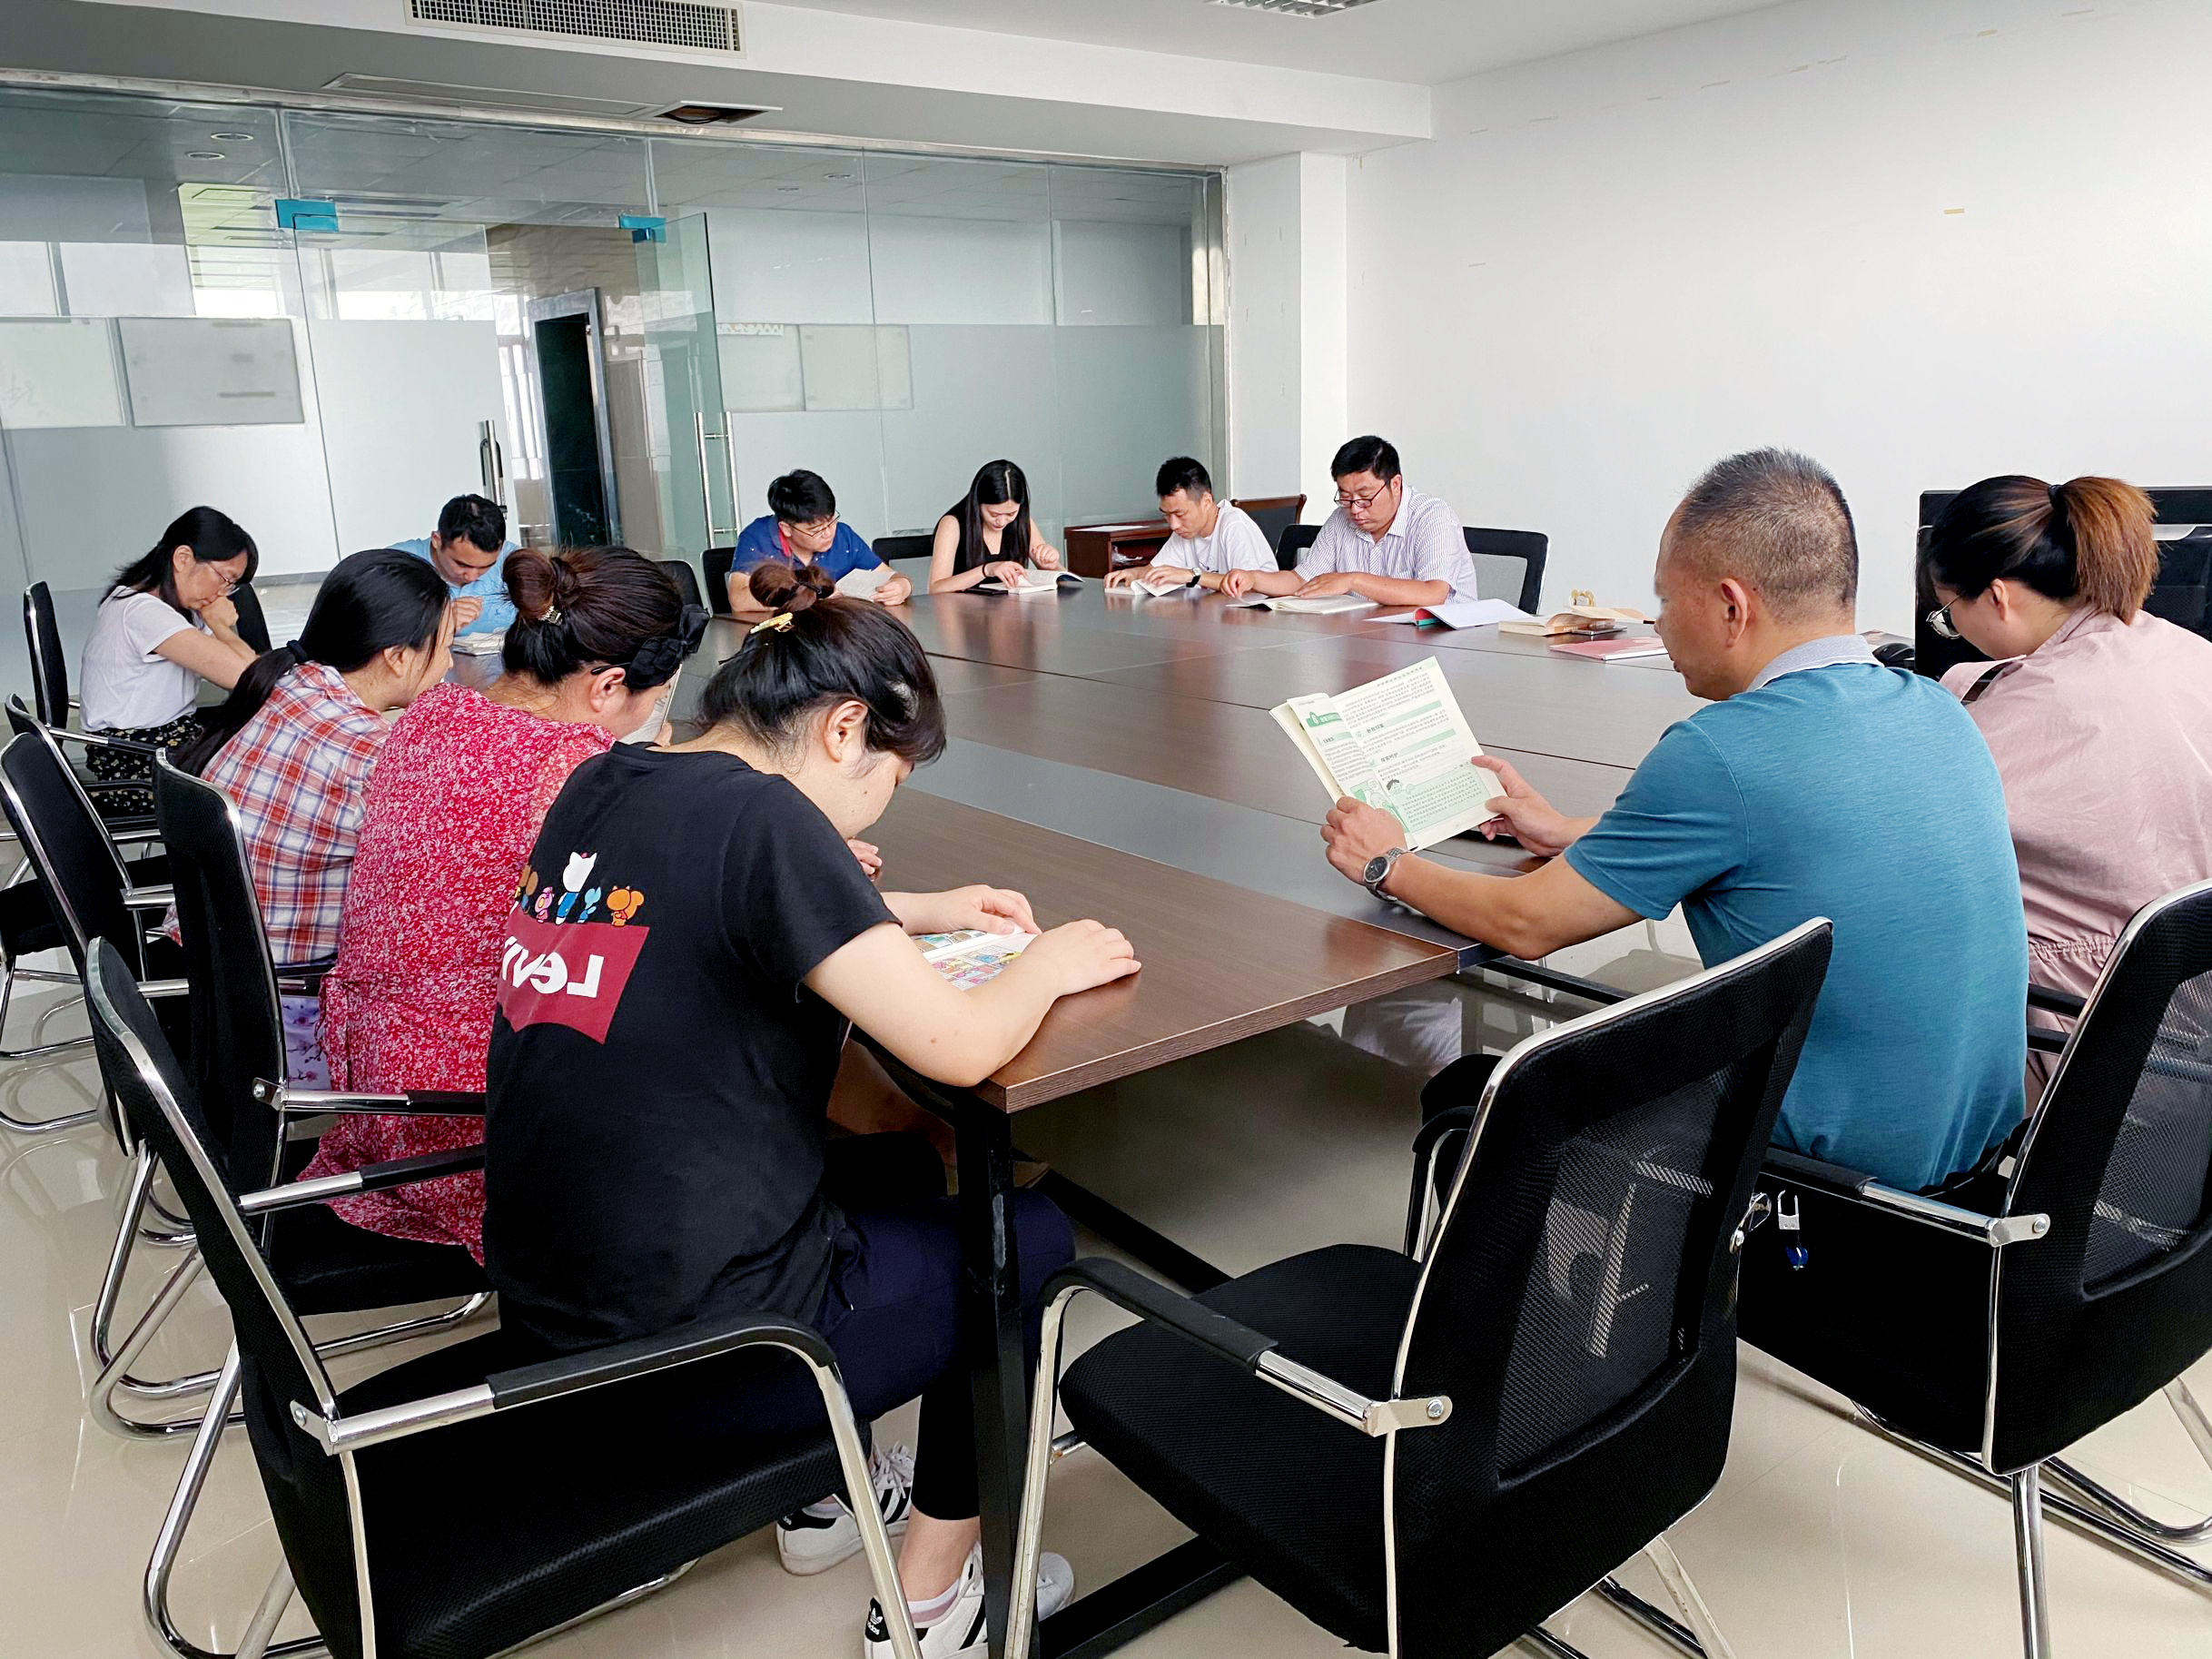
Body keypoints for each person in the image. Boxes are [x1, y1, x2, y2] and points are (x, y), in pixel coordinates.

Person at [483, 559, 1139, 1656]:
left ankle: (828, 1497)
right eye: (891, 779)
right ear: (844, 730)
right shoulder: (768, 819)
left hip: (556, 1306)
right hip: (696, 1352)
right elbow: (959, 1041)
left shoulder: (607, 777)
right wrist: (1050, 962)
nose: (880, 805)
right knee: (1024, 1239)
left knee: (899, 1169)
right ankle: (931, 1609)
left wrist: (914, 908)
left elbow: (711, 917)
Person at [1320, 449, 2029, 1193]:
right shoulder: (1940, 707)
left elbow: (1527, 923)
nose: (1657, 622)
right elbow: (1792, 829)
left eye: (1663, 598)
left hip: (1832, 1191)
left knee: (1472, 1093)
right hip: (1983, 1177)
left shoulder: (1722, 752)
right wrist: (1570, 832)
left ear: (1732, 606)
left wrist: (1387, 862)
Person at [299, 545, 701, 1257]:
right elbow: (660, 916)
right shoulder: (570, 766)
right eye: (656, 697)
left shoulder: (434, 711)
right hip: (467, 1120)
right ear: (609, 686)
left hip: (375, 1088)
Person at [1922, 474, 2212, 1045]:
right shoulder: (2189, 654)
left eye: (1949, 613)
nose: (1952, 630)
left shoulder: (2012, 724)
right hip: (2188, 1027)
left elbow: (1907, 836)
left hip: (2079, 1040)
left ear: (1998, 598)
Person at [173, 548, 457, 1084]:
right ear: (397, 657)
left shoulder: (293, 682)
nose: (447, 664)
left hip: (223, 978)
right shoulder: (366, 754)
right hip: (292, 1015)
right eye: (444, 646)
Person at [79, 507, 262, 816]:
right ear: (183, 558)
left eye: (231, 585)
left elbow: (253, 674)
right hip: (138, 764)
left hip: (160, 749)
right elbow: (247, 677)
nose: (223, 593)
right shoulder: (143, 612)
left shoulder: (169, 606)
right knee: (264, 785)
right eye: (224, 578)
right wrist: (220, 625)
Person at [1222, 436, 1478, 607]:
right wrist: (1253, 579)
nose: (1355, 509)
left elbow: (1433, 593)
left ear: (1395, 484)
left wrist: (1352, 580)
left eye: (1365, 498)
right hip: (1371, 640)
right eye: (1345, 497)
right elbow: (1302, 580)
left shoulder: (1432, 517)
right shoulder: (1340, 521)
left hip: (1443, 647)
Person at [727, 469, 913, 614]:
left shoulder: (843, 535)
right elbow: (738, 600)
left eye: (831, 521)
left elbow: (887, 575)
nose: (829, 533)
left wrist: (903, 585)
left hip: (836, 632)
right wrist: (810, 597)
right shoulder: (758, 538)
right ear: (786, 529)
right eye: (816, 530)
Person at [1104, 457, 1278, 591]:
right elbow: (1156, 569)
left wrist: (1191, 576)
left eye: (1180, 514)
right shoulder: (1185, 532)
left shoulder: (1233, 524)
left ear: (1206, 501)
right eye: (1167, 515)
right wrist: (1134, 573)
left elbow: (1243, 585)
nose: (1174, 525)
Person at [390, 493, 518, 637]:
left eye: (486, 567)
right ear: (437, 540)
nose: (471, 577)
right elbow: (376, 636)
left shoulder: (514, 561)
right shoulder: (395, 566)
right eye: (462, 564)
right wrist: (436, 624)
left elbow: (540, 618)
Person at [927, 459, 1063, 594]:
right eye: (994, 514)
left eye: (1011, 514)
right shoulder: (952, 524)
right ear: (978, 503)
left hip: (1012, 607)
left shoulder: (1022, 522)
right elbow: (935, 588)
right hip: (963, 607)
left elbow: (1066, 583)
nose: (1002, 522)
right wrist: (986, 570)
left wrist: (1052, 566)